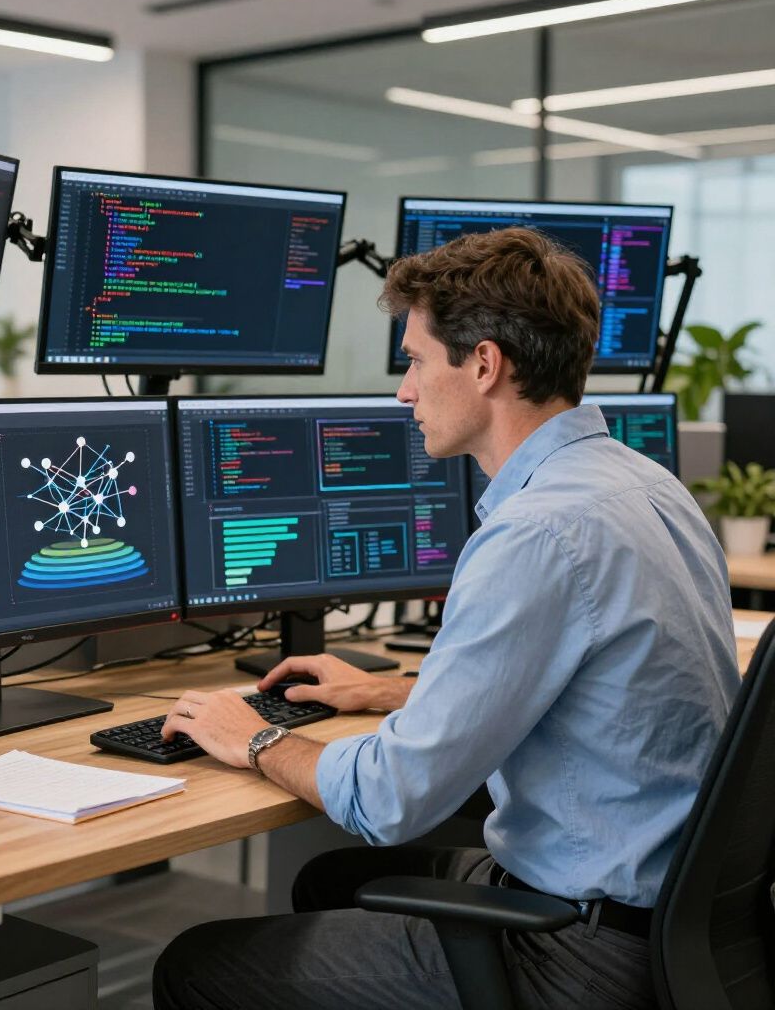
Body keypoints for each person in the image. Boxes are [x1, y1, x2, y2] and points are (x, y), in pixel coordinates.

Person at [152, 226, 739, 1010]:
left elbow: (391, 801)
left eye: (416, 360)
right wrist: (400, 692)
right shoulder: (646, 484)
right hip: (679, 922)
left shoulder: (536, 533)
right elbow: (598, 680)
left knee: (196, 965)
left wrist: (251, 736)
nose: (404, 390)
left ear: (485, 364)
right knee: (332, 877)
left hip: (579, 953)